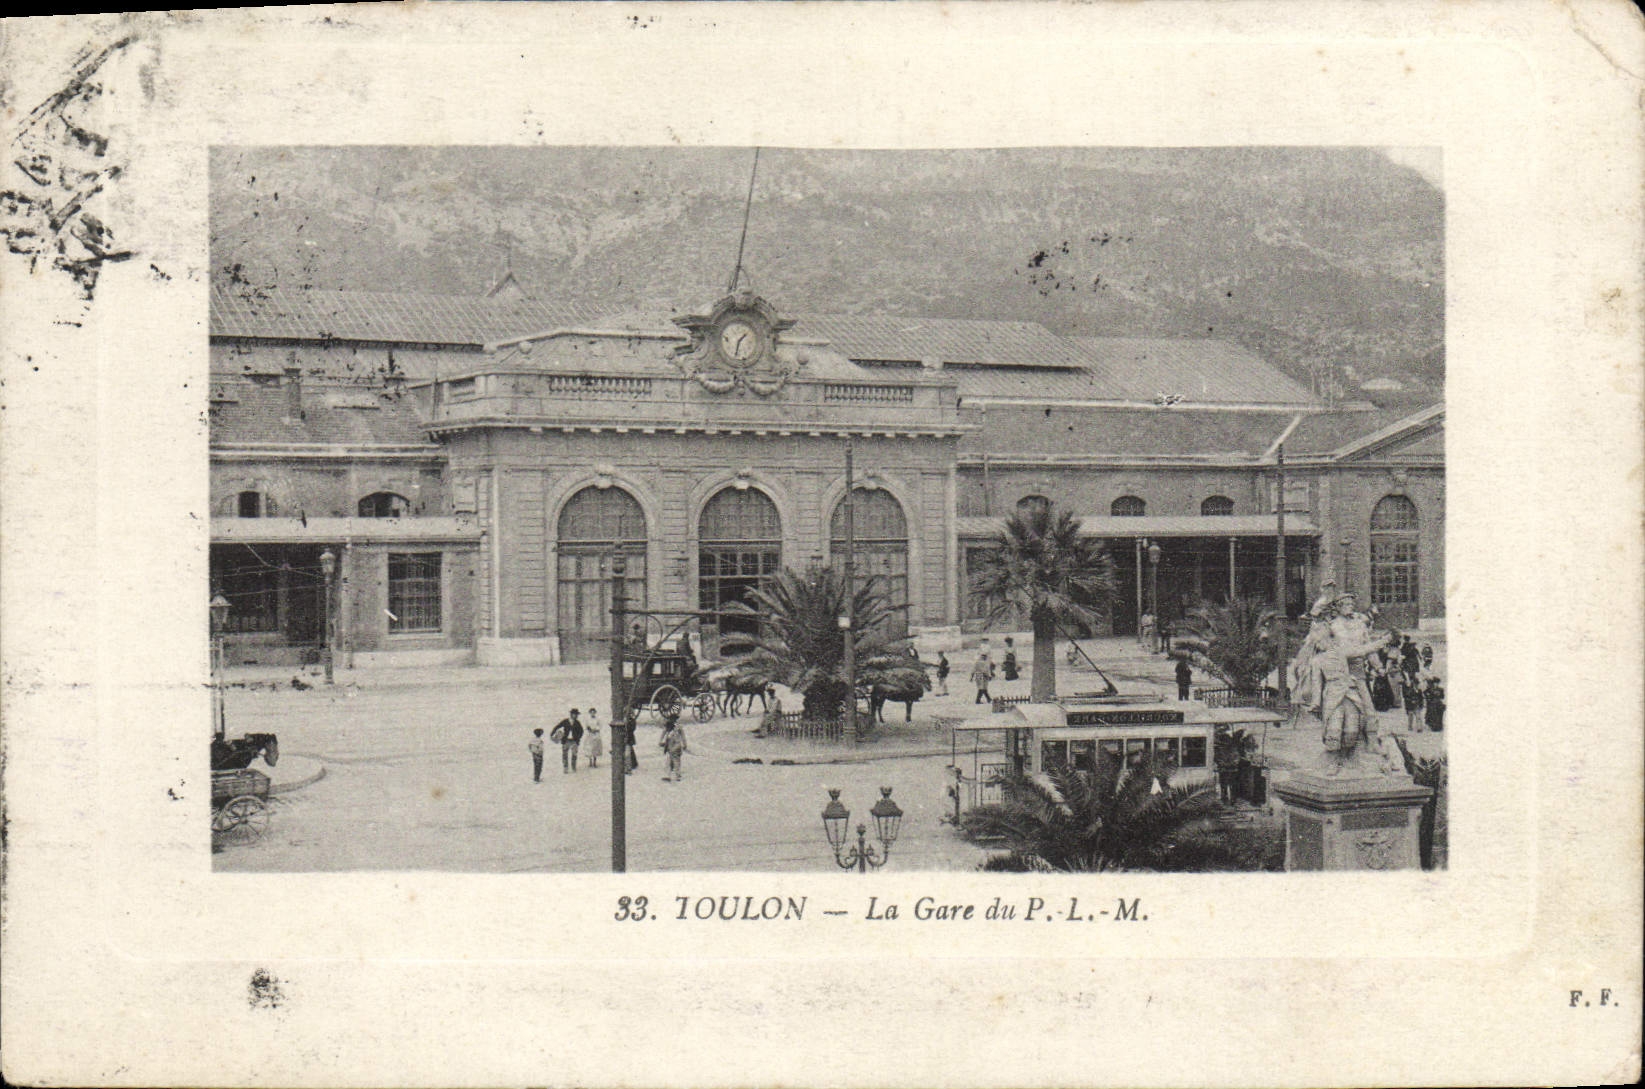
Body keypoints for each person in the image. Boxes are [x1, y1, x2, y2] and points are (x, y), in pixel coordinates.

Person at [550, 707, 583, 774]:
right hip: (566, 740)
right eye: (574, 714)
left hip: (574, 741)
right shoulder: (565, 721)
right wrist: (552, 733)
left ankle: (573, 767)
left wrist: (578, 738)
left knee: (574, 754)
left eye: (577, 714)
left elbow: (581, 731)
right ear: (571, 714)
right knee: (565, 754)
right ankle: (565, 768)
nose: (576, 716)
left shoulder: (577, 722)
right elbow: (557, 726)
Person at [660, 711, 688, 782]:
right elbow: (683, 736)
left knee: (672, 761)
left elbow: (664, 733)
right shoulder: (679, 727)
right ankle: (676, 775)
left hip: (672, 746)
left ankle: (671, 775)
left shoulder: (669, 726)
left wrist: (661, 741)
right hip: (677, 746)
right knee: (675, 761)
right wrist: (685, 744)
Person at [1401, 667, 1425, 733]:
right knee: (1410, 716)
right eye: (1416, 684)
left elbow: (1421, 698)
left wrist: (1421, 705)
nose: (1417, 685)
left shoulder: (1419, 691)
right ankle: (1410, 726)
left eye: (1417, 684)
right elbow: (1406, 697)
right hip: (1410, 705)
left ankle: (1419, 728)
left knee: (1418, 716)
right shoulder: (1409, 690)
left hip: (1417, 705)